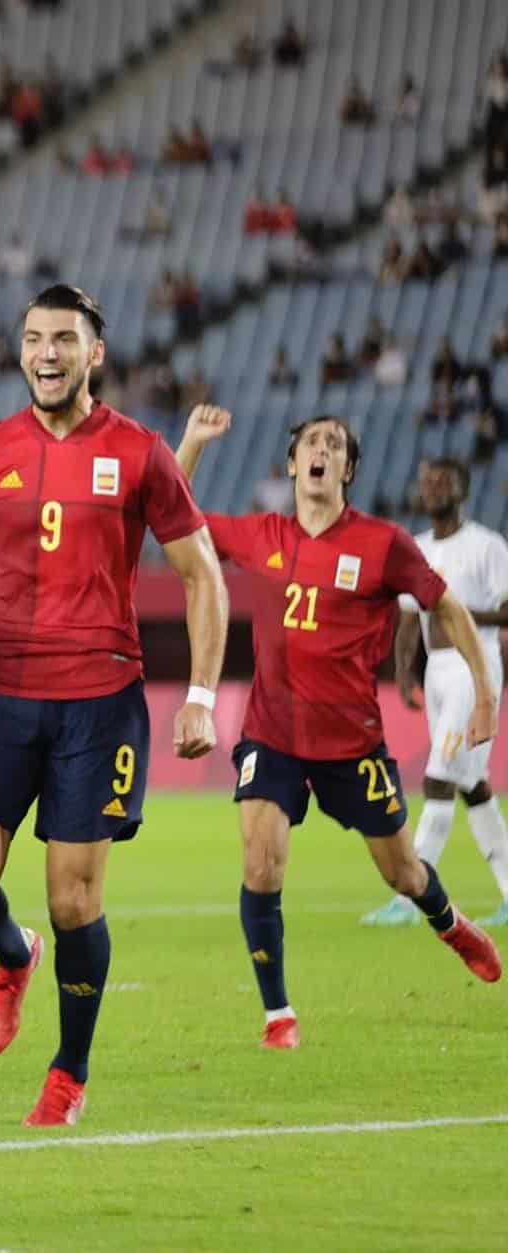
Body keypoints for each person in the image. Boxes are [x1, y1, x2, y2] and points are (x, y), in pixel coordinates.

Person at [0, 284, 228, 1127]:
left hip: (99, 701)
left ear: (95, 354)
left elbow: (203, 578)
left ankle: (69, 1071)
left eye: (64, 339)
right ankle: (15, 957)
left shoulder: (142, 452)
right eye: (34, 338)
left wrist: (199, 696)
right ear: (20, 351)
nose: (46, 352)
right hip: (0, 692)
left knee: (75, 899)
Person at [174, 412, 503, 1052]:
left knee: (404, 874)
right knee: (260, 860)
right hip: (271, 733)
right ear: (293, 465)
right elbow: (174, 520)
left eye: (334, 445)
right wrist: (189, 445)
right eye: (310, 444)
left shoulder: (382, 545)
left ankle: (451, 922)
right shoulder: (259, 532)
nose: (321, 451)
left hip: (352, 745)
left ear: (347, 471)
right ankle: (279, 1015)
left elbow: (448, 608)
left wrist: (485, 693)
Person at [361, 459, 508, 928]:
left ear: (463, 488)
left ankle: (410, 896)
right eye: (426, 483)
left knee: (439, 777)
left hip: (474, 666)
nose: (432, 490)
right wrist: (405, 673)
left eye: (443, 482)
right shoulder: (417, 549)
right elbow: (408, 617)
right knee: (473, 786)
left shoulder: (487, 545)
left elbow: (505, 612)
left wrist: (454, 613)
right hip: (438, 673)